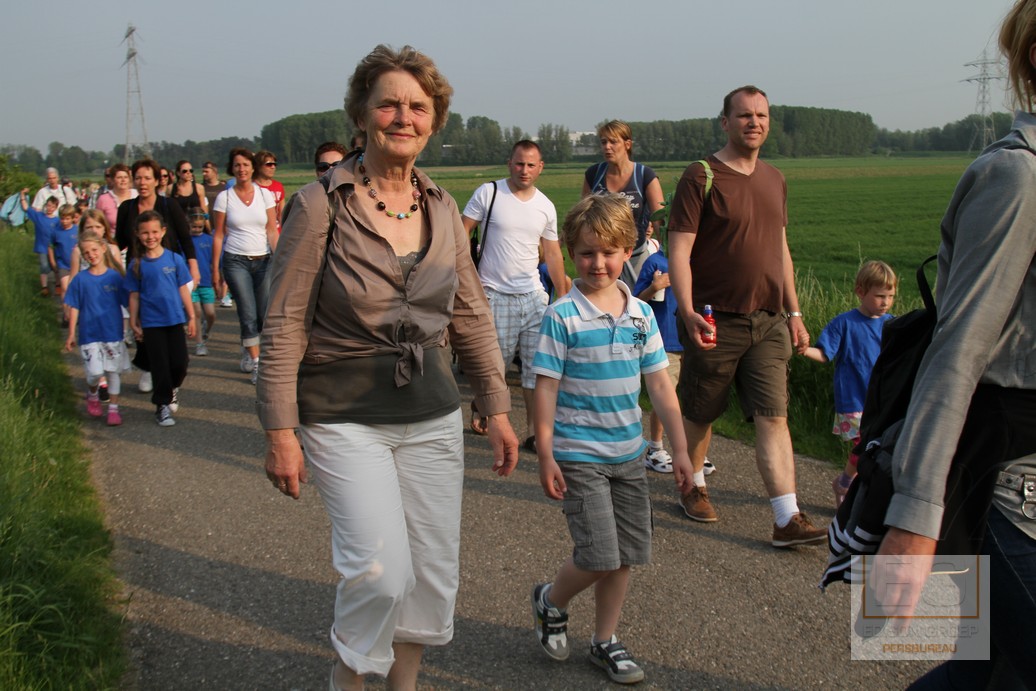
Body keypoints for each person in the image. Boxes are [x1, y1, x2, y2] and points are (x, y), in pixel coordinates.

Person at [258, 44, 519, 691]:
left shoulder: (443, 208)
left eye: (418, 107)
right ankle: (349, 680)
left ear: (434, 121)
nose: (404, 117)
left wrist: (496, 406)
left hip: (432, 412)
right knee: (379, 573)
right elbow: (284, 320)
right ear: (361, 114)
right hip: (343, 411)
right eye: (389, 104)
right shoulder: (320, 205)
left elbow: (471, 312)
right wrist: (280, 430)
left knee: (429, 575)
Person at [873, 2, 1036, 686]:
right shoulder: (1017, 178)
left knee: (984, 672)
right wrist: (913, 520)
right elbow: (959, 348)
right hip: (1006, 484)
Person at [530, 194, 692, 685]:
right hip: (579, 455)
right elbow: (546, 387)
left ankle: (605, 640)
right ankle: (551, 600)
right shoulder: (562, 315)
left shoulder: (641, 314)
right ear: (571, 253)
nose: (597, 263)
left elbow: (659, 385)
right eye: (586, 253)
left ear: (628, 251)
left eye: (608, 252)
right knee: (599, 554)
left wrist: (680, 450)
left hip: (629, 454)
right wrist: (545, 452)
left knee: (625, 555)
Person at [667, 85, 826, 548]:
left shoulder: (775, 178)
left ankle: (786, 518)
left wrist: (794, 311)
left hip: (769, 321)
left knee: (773, 415)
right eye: (744, 115)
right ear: (725, 122)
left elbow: (781, 249)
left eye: (761, 115)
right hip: (715, 320)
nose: (754, 122)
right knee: (701, 411)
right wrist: (688, 311)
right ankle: (694, 485)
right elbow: (680, 251)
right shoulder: (701, 176)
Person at [461, 139, 570, 449]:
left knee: (537, 370)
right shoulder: (489, 193)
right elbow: (461, 231)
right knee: (495, 367)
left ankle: (535, 434)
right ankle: (483, 407)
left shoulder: (545, 206)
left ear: (540, 168)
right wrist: (464, 276)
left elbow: (552, 253)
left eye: (531, 165)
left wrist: (564, 297)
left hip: (533, 297)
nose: (524, 170)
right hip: (494, 295)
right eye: (519, 163)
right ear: (510, 163)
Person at [801, 260, 896, 507]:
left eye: (890, 296)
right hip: (853, 399)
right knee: (862, 447)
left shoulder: (893, 325)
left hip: (882, 401)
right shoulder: (844, 323)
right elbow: (825, 353)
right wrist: (804, 349)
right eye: (880, 296)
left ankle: (853, 485)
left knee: (877, 448)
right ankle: (846, 484)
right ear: (861, 292)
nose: (885, 302)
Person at [115, 159, 201, 394]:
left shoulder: (168, 205)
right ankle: (149, 367)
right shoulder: (127, 208)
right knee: (144, 322)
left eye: (147, 178)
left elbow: (185, 238)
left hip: (168, 271)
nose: (142, 183)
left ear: (156, 180)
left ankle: (167, 371)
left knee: (168, 318)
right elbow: (119, 242)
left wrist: (193, 266)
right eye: (138, 178)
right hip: (139, 271)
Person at [633, 245, 716, 476]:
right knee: (665, 398)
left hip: (694, 340)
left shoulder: (700, 259)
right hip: (666, 341)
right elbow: (635, 302)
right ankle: (655, 449)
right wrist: (654, 287)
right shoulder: (655, 262)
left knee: (697, 398)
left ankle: (696, 452)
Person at [211, 147, 278, 385]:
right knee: (247, 312)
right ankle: (257, 363)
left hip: (263, 260)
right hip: (235, 260)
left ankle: (249, 345)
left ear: (253, 168)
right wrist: (215, 269)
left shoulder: (264, 195)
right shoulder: (225, 197)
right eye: (237, 165)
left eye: (246, 165)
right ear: (232, 168)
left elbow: (271, 230)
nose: (242, 169)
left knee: (263, 314)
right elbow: (219, 235)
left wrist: (281, 258)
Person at [125, 211, 195, 427]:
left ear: (163, 231)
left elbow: (183, 289)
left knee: (180, 363)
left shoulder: (175, 259)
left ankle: (172, 389)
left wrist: (192, 316)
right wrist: (133, 321)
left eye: (155, 231)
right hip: (151, 322)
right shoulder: (137, 264)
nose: (150, 237)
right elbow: (134, 295)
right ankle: (162, 406)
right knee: (160, 364)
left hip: (175, 319)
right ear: (138, 234)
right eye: (145, 233)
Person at [582, 120, 665, 288]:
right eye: (603, 142)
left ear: (627, 144)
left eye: (613, 142)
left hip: (635, 256)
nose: (607, 147)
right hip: (602, 259)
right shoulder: (594, 174)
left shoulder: (644, 175)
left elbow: (660, 220)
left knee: (639, 299)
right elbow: (583, 217)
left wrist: (667, 255)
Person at [64, 230, 129, 426]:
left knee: (113, 372)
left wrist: (137, 324)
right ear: (82, 256)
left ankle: (113, 409)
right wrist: (71, 333)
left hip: (112, 333)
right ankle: (92, 393)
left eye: (94, 250)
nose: (91, 255)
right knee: (94, 373)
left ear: (103, 248)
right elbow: (74, 306)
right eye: (86, 252)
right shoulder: (80, 280)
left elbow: (127, 302)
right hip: (89, 334)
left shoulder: (115, 278)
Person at [19, 189, 60, 295]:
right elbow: (26, 208)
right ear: (45, 205)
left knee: (55, 265)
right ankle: (44, 287)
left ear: (56, 208)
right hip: (42, 246)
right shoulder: (39, 216)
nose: (50, 208)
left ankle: (58, 285)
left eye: (52, 207)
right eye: (48, 206)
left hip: (54, 248)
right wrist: (22, 195)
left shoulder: (58, 221)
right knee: (44, 265)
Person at [186, 208, 216, 356]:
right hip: (190, 283)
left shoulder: (209, 240)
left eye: (200, 227)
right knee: (196, 312)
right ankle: (200, 344)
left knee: (210, 313)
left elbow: (215, 261)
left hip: (206, 282)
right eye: (194, 227)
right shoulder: (184, 241)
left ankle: (205, 330)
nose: (197, 230)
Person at [94, 164, 138, 233]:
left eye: (126, 177)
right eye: (119, 177)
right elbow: (97, 222)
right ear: (112, 180)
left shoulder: (137, 195)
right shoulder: (103, 199)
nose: (123, 180)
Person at [251, 150, 285, 227]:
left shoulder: (278, 186)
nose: (273, 167)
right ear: (258, 166)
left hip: (276, 230)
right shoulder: (251, 187)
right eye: (269, 164)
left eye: (274, 164)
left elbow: (281, 214)